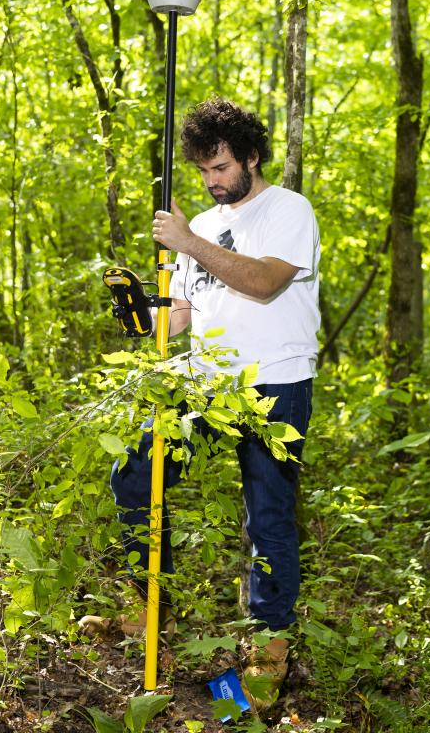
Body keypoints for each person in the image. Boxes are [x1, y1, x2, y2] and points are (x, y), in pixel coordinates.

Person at [110, 98, 320, 710]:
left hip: (275, 382)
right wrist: (139, 315)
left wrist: (190, 241)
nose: (212, 181)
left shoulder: (288, 210)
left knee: (268, 517)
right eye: (203, 171)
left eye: (221, 167)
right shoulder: (200, 224)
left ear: (251, 156)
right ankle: (152, 616)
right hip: (207, 385)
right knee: (135, 471)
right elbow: (179, 319)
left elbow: (263, 282)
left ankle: (268, 649)